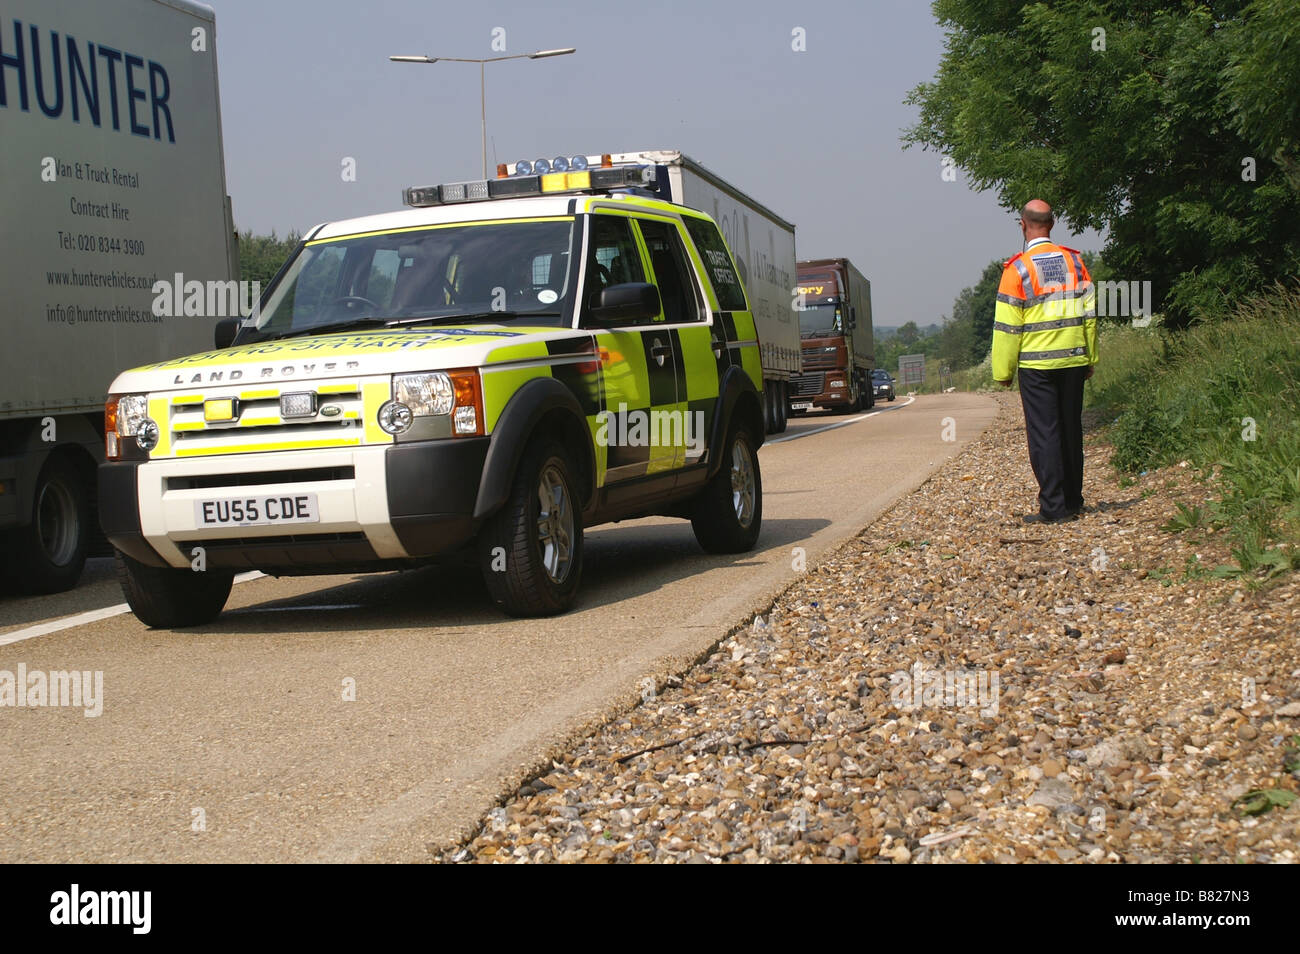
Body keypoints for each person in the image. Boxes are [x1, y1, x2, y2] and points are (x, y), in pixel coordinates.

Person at [992, 200, 1098, 524]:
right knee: (1070, 428)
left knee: (1045, 433)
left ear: (1023, 225)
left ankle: (1053, 508)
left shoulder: (1017, 270)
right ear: (1052, 224)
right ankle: (1073, 500)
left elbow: (1008, 327)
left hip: (1037, 367)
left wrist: (1003, 372)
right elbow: (1090, 316)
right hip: (1073, 359)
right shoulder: (1076, 263)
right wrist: (1090, 357)